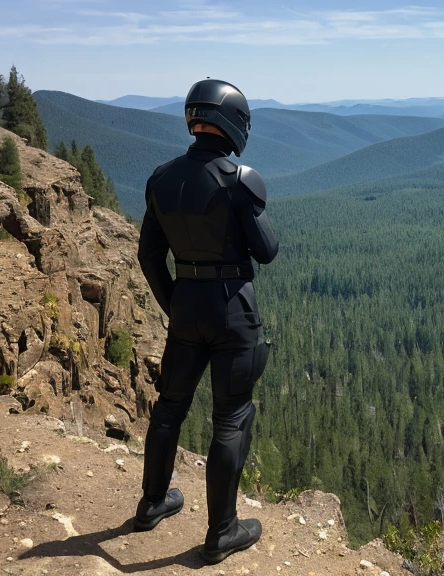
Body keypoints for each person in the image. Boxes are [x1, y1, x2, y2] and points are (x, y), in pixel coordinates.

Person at [134, 79, 279, 564]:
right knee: (231, 419)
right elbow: (267, 251)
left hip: (186, 307)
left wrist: (173, 303)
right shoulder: (239, 179)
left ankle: (152, 503)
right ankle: (222, 531)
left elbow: (149, 255)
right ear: (233, 121)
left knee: (168, 407)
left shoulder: (161, 178)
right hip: (233, 311)